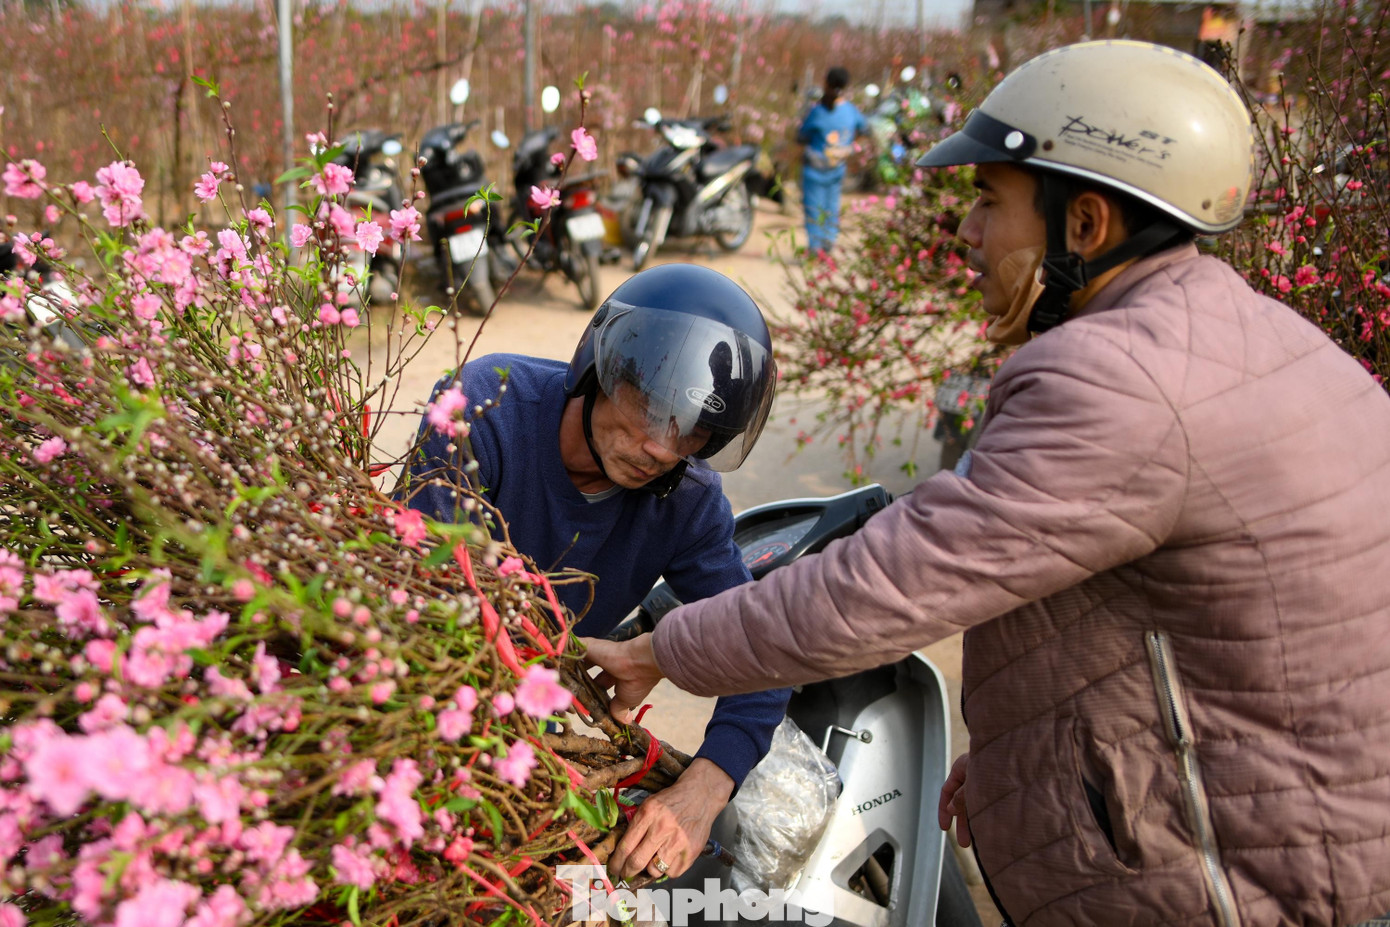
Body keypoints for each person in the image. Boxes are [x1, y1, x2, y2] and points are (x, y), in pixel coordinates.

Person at [584, 41, 1390, 927]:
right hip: (1311, 827)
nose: (966, 233)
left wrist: (660, 649)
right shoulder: (1260, 336)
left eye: (989, 201)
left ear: (1084, 224)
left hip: (1238, 878)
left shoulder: (1118, 379)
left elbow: (882, 588)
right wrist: (1028, 752)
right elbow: (1182, 624)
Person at [399, 263, 789, 883]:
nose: (663, 448)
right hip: (428, 698)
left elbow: (763, 649)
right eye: (650, 407)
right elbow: (430, 603)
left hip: (545, 723)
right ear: (600, 367)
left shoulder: (687, 499)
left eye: (694, 433)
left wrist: (704, 791)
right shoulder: (487, 407)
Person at [797, 66, 868, 254]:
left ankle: (815, 249)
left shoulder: (817, 111)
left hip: (814, 169)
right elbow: (864, 128)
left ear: (826, 83)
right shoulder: (851, 111)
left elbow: (801, 135)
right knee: (831, 208)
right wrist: (848, 144)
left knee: (814, 209)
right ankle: (827, 246)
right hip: (837, 168)